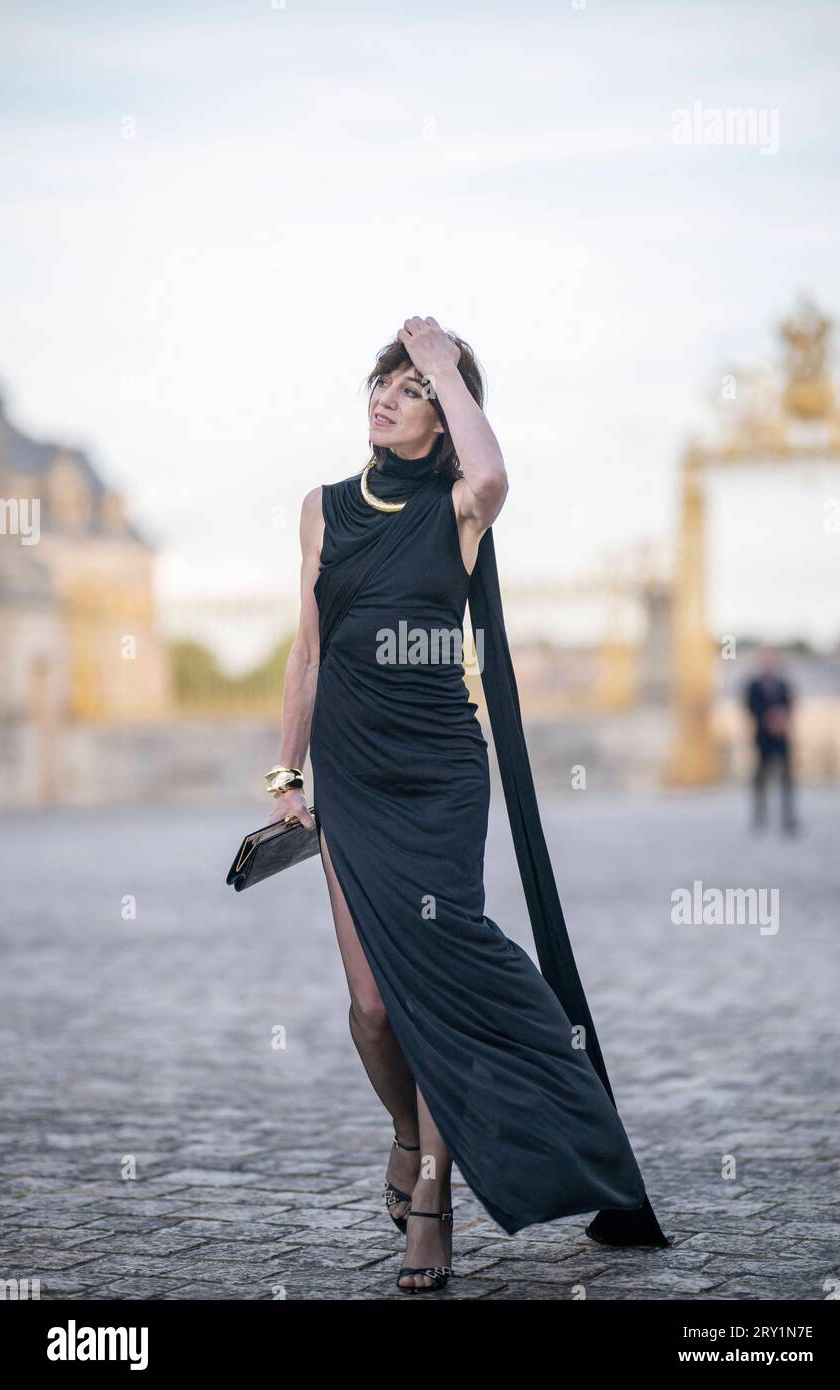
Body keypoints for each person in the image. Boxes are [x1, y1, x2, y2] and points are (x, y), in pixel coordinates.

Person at [268, 315, 669, 1294]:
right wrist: (284, 778)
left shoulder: (459, 502)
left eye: (410, 389)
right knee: (371, 1008)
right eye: (385, 380)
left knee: (439, 995)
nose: (386, 395)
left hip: (440, 771)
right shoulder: (319, 508)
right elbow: (310, 649)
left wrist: (449, 367)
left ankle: (435, 1195)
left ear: (443, 419)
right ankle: (407, 1134)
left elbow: (493, 475)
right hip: (349, 770)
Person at [743, 645, 798, 835]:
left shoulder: (783, 684)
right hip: (762, 737)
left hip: (781, 737)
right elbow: (750, 707)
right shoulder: (754, 684)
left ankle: (788, 817)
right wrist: (767, 720)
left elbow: (790, 705)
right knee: (760, 778)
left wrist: (782, 720)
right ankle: (760, 817)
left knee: (787, 778)